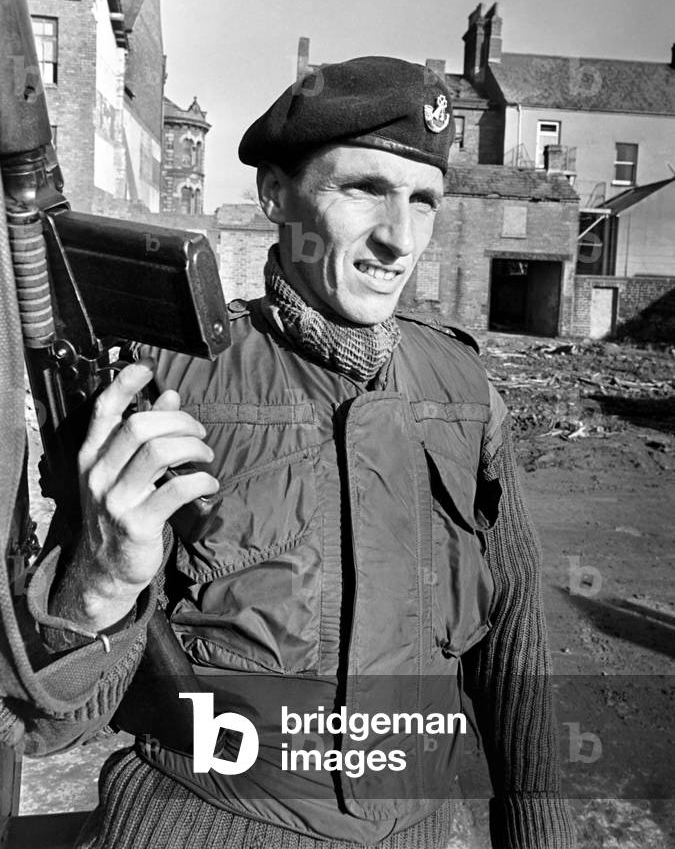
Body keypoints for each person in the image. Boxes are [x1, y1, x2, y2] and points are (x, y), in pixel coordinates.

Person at [11, 58, 576, 848]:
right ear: (275, 194)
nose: (398, 237)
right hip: (202, 824)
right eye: (363, 189)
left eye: (423, 201)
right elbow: (47, 718)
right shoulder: (167, 381)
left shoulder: (463, 387)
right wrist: (98, 581)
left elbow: (514, 648)